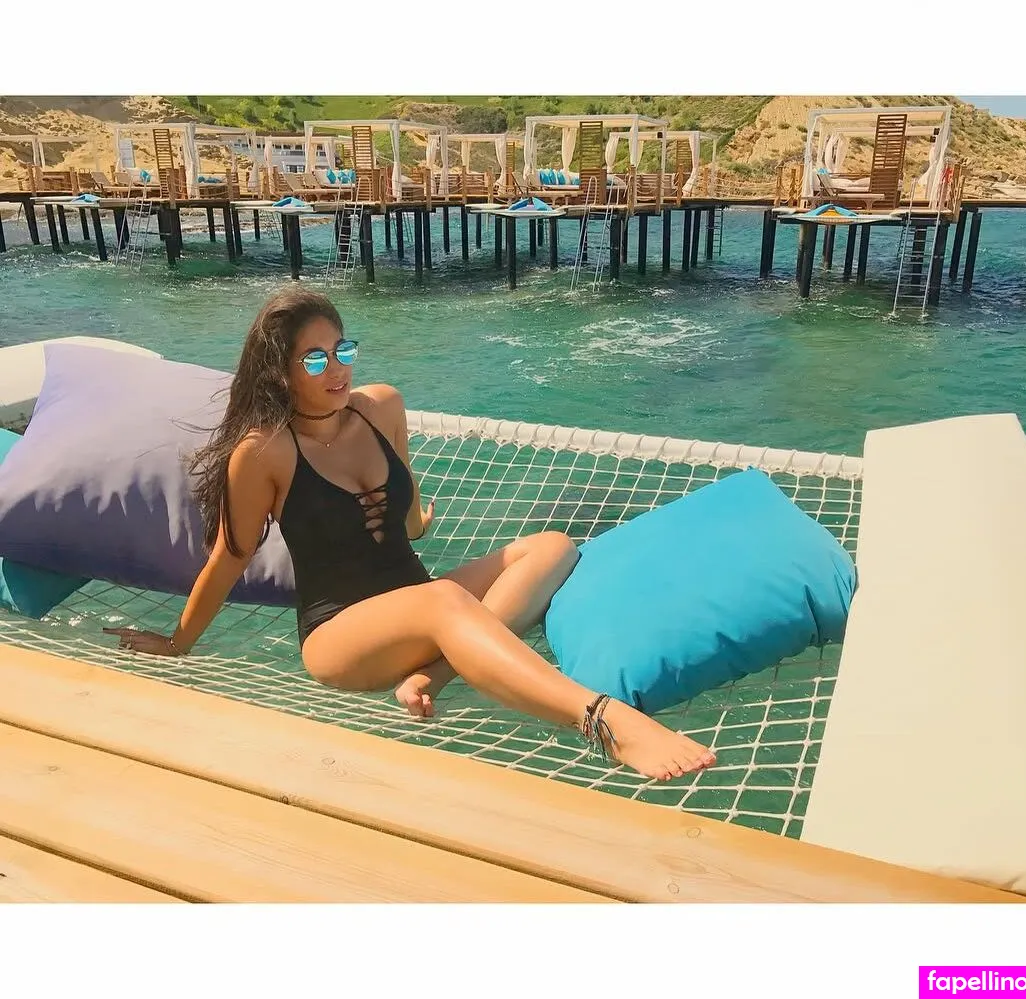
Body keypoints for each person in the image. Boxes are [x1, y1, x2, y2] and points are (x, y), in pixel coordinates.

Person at [106, 287, 716, 782]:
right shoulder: (264, 451)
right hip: (340, 635)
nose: (337, 369)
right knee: (443, 600)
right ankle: (603, 721)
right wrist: (178, 643)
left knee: (551, 546)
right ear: (280, 372)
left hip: (419, 601)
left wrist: (416, 520)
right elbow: (230, 557)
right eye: (315, 359)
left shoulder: (381, 408)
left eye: (342, 350)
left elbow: (406, 508)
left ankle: (433, 674)